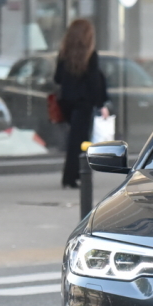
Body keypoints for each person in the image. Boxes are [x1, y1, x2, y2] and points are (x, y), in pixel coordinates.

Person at [54, 18, 108, 188]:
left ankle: (73, 174)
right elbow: (94, 83)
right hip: (83, 103)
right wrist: (101, 104)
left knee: (74, 139)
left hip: (67, 103)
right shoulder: (90, 56)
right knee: (79, 140)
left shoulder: (64, 54)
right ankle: (71, 176)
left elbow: (57, 78)